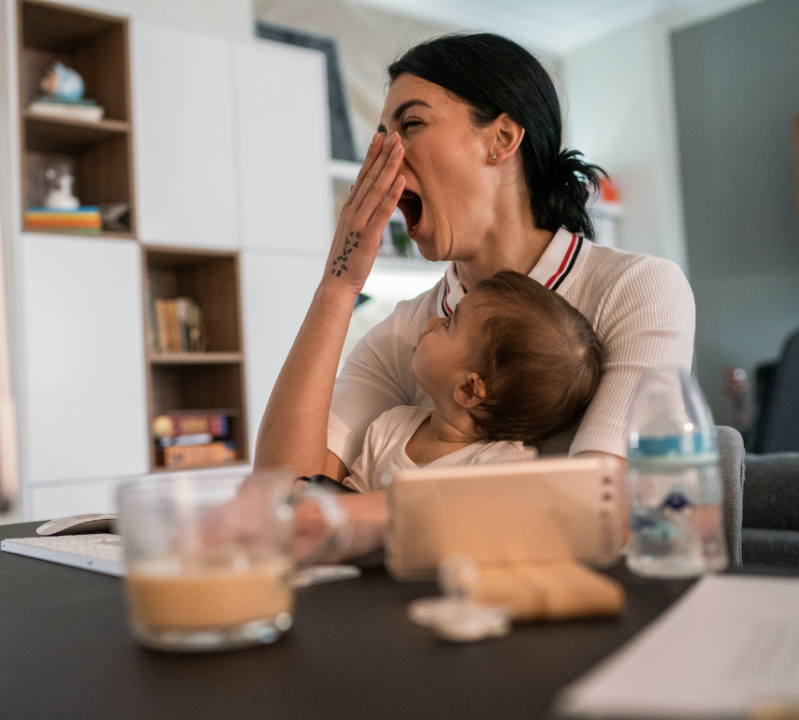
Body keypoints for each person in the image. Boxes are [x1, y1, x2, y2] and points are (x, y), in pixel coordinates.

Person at [254, 33, 695, 562]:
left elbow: (611, 508)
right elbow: (282, 495)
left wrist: (370, 513)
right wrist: (338, 286)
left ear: (502, 138)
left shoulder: (638, 290)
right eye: (379, 138)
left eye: (410, 125)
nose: (384, 160)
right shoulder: (408, 333)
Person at [344, 270, 603, 493]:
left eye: (448, 325)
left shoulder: (504, 468)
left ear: (468, 390)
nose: (433, 322)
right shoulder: (389, 426)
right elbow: (347, 506)